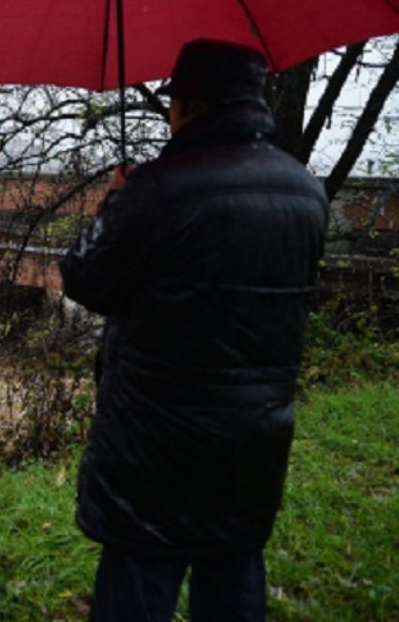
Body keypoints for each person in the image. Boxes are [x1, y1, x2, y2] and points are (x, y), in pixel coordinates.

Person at [60, 40, 329, 621]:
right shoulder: (306, 191)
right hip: (254, 436)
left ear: (187, 105)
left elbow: (84, 279)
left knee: (139, 581)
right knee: (233, 571)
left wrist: (115, 202)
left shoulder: (158, 188)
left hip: (156, 442)